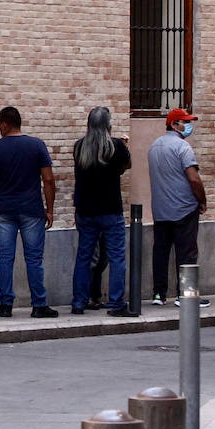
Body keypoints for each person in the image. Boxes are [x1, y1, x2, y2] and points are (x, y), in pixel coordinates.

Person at [0, 106, 58, 318]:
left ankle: (5, 305)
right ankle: (39, 305)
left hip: (5, 210)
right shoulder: (37, 145)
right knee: (34, 258)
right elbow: (49, 180)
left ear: (4, 123)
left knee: (5, 257)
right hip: (32, 209)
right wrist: (49, 210)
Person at [71, 107, 136, 317]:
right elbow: (126, 165)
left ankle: (79, 302)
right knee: (117, 258)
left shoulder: (79, 146)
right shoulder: (116, 145)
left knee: (84, 257)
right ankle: (117, 304)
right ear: (108, 124)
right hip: (110, 209)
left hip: (85, 210)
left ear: (89, 124)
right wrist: (126, 146)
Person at [148, 108, 209, 308]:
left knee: (161, 252)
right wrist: (202, 199)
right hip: (184, 208)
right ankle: (186, 294)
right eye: (185, 122)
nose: (188, 126)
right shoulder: (183, 147)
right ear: (174, 124)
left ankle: (159, 294)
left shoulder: (154, 147)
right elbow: (194, 178)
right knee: (187, 253)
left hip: (160, 210)